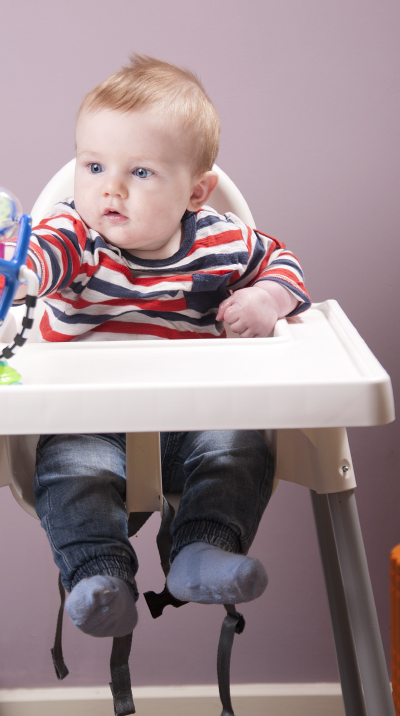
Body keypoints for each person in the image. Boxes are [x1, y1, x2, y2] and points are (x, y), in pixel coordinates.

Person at [23, 55, 310, 639]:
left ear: (196, 191)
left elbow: (283, 263)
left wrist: (266, 299)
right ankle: (99, 577)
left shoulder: (222, 242)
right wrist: (14, 278)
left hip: (196, 419)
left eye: (141, 172)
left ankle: (202, 552)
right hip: (90, 421)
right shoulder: (75, 235)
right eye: (94, 166)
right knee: (71, 470)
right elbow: (38, 256)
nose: (110, 188)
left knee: (241, 446)